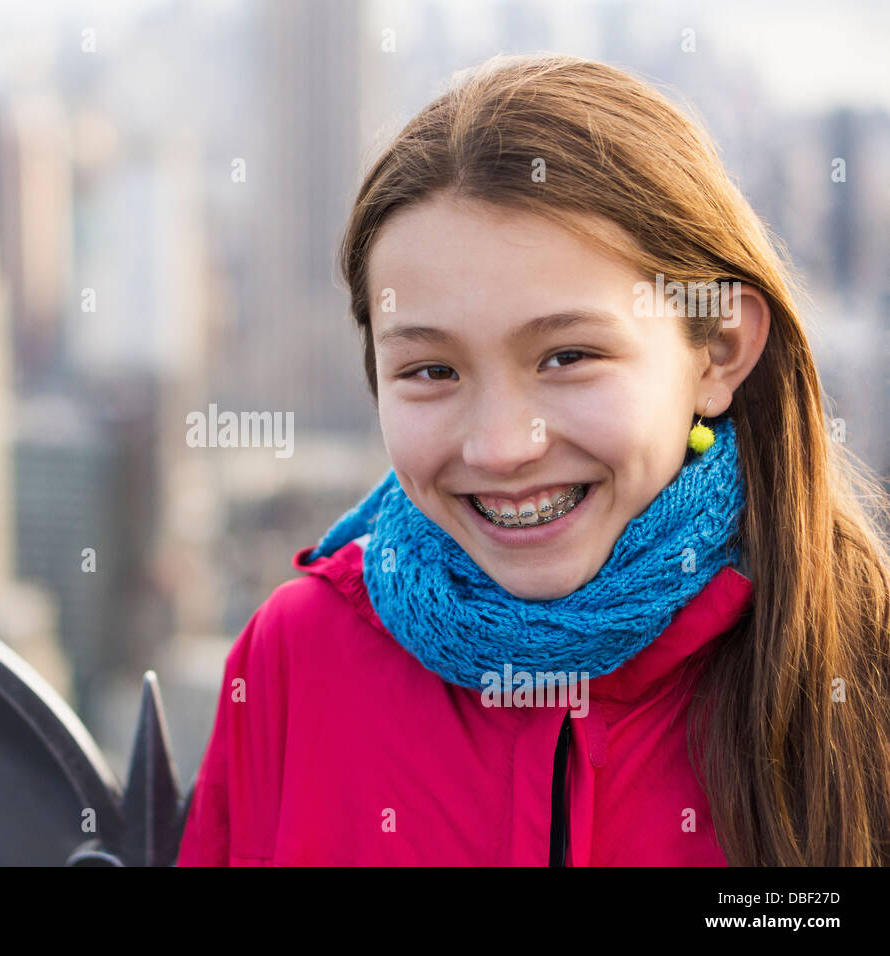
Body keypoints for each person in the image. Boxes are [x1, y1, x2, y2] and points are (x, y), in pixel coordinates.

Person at [175, 53, 890, 866]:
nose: (502, 447)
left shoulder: (859, 660)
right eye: (432, 372)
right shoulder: (297, 659)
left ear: (718, 352)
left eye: (568, 356)